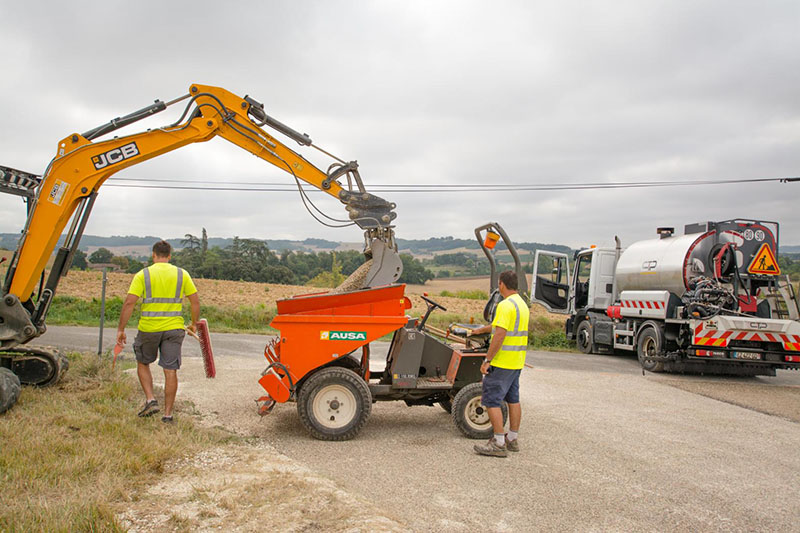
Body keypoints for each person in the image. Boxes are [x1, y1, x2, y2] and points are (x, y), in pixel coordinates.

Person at [117, 240, 199, 423]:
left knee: (143, 362)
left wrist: (121, 329)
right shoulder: (181, 274)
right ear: (169, 256)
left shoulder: (143, 275)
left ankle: (150, 400)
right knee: (170, 370)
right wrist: (194, 324)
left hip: (149, 329)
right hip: (174, 329)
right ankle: (168, 415)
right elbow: (195, 301)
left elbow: (129, 302)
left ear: (154, 255)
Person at [468, 270, 529, 457]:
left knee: (492, 400)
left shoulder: (504, 305)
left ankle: (498, 442)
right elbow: (499, 327)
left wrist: (488, 360)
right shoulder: (522, 305)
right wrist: (481, 330)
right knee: (513, 400)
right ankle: (512, 438)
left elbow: (500, 335)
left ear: (501, 284)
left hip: (501, 363)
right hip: (516, 362)